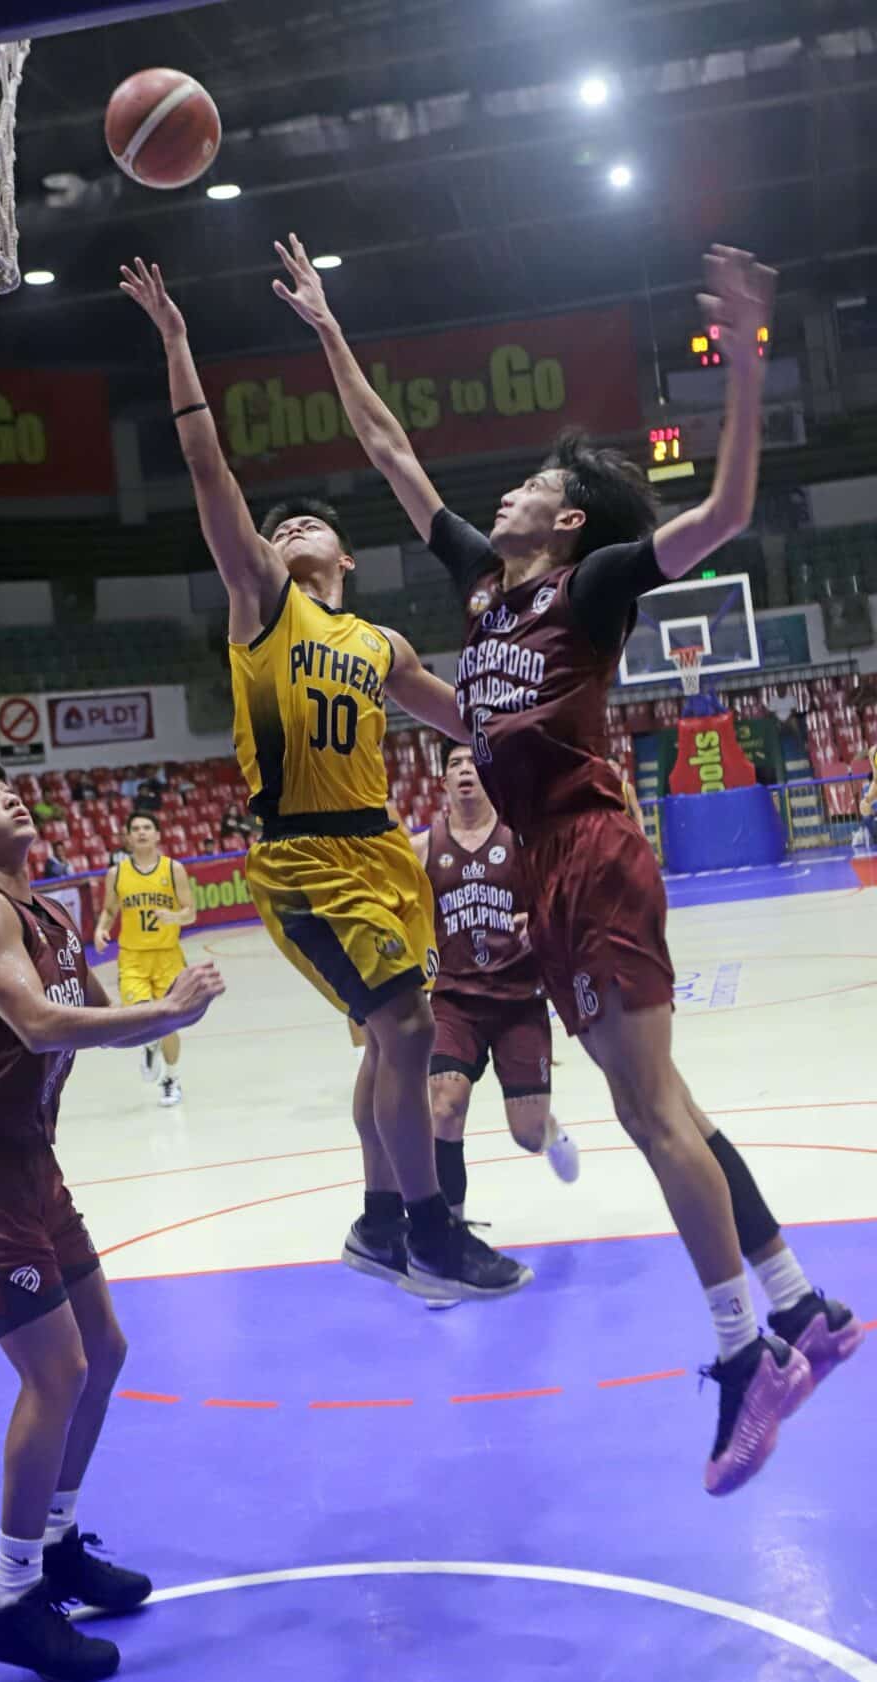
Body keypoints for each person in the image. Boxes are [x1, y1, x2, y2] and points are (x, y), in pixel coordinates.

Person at [275, 234, 863, 1489]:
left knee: (648, 1113)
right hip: (544, 869)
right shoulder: (484, 590)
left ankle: (741, 1358)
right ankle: (803, 1306)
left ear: (570, 517)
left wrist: (746, 358)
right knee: (674, 1106)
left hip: (590, 851)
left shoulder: (590, 584)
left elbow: (726, 513)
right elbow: (389, 450)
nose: (505, 495)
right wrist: (329, 327)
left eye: (532, 485)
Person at [120, 255, 528, 1303]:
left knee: (383, 1045)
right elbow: (212, 474)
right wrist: (176, 343)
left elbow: (468, 718)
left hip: (383, 853)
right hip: (303, 853)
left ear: (346, 553)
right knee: (404, 1030)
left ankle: (376, 1216)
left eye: (310, 522)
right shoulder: (260, 597)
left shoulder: (379, 639)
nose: (291, 524)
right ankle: (430, 1229)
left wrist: (547, 721)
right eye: (281, 521)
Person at [0, 752, 224, 1680]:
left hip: (29, 1166)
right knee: (59, 1373)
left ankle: (54, 1544)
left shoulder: (48, 910)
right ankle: (10, 1599)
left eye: (10, 784)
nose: (9, 793)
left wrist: (159, 1014)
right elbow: (40, 1023)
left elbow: (79, 1013)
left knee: (106, 1351)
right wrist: (162, 1011)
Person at [409, 740, 579, 1224]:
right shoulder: (423, 848)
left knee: (525, 1134)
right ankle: (451, 1234)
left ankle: (549, 1134)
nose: (464, 771)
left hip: (519, 998)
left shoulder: (521, 840)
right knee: (444, 1107)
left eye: (472, 763)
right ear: (443, 782)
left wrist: (541, 924)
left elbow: (560, 899)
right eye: (454, 764)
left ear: (489, 776)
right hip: (453, 1000)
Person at [94, 809, 198, 1107]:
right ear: (127, 837)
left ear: (157, 835)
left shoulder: (173, 869)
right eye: (135, 828)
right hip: (133, 957)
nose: (141, 832)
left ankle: (171, 1079)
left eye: (147, 827)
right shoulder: (116, 873)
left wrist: (174, 915)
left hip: (168, 957)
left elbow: (191, 912)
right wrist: (101, 930)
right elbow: (110, 910)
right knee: (140, 1017)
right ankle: (150, 1043)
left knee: (168, 1021)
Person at [606, 754, 646, 837]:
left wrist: (642, 829)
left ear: (619, 768)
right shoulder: (602, 789)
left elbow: (637, 810)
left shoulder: (627, 788)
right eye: (608, 766)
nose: (611, 768)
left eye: (613, 765)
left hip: (625, 831)